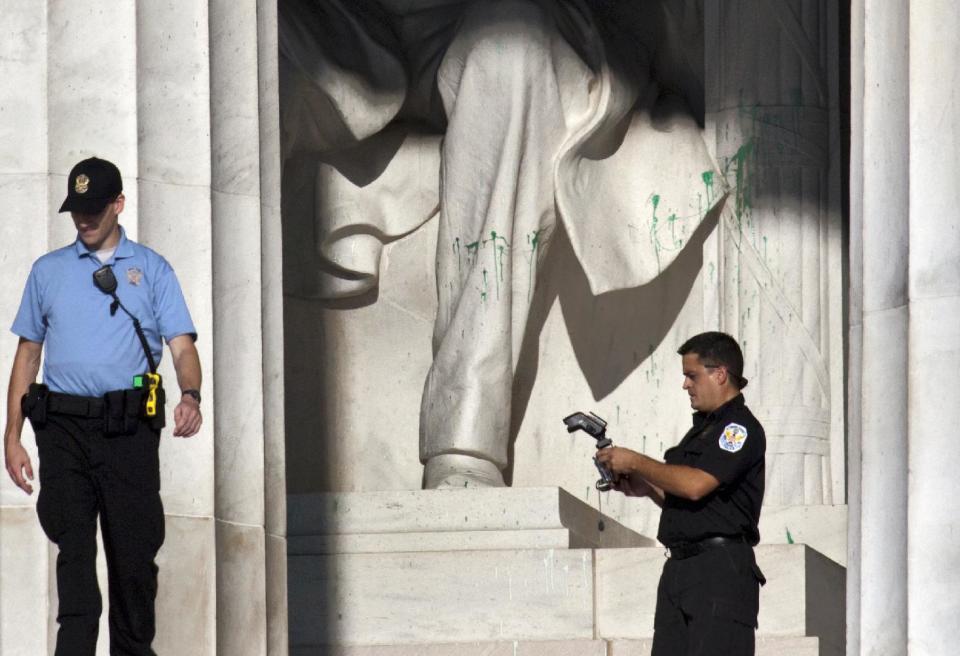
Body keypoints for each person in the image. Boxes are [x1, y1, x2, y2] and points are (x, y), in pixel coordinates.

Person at [280, 0, 723, 487]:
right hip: (354, 26)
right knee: (232, 39)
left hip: (526, 25)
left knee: (506, 45)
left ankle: (464, 438)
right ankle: (215, 478)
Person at [3, 156, 202, 655]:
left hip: (128, 432)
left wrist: (191, 395)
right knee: (74, 556)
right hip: (63, 429)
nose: (85, 219)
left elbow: (181, 346)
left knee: (134, 560)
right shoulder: (47, 271)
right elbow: (28, 355)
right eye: (77, 209)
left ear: (118, 205)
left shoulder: (152, 269)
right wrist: (12, 435)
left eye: (95, 208)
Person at [596, 331, 766, 656]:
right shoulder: (699, 431)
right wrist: (644, 485)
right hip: (680, 569)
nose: (685, 385)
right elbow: (690, 497)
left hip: (719, 571)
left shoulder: (738, 428)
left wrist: (636, 460)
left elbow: (695, 485)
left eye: (692, 375)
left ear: (720, 374)